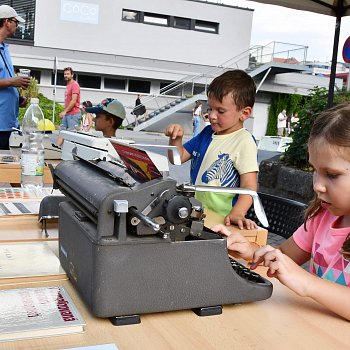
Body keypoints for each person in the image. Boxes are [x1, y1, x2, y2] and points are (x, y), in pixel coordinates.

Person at [212, 102, 350, 321]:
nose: (317, 185)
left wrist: (307, 283)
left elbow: (303, 282)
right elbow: (284, 257)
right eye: (315, 171)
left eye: (331, 175)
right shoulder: (321, 218)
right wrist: (250, 251)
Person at [165, 69, 258, 229]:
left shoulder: (244, 141)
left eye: (220, 111)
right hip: (198, 214)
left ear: (244, 113)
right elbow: (177, 159)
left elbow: (249, 186)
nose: (212, 116)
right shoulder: (207, 133)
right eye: (210, 108)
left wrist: (238, 213)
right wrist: (175, 139)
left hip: (222, 220)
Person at [0, 5, 30, 149]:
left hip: (7, 123)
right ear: (6, 22)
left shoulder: (4, 48)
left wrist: (17, 99)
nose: (17, 26)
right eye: (15, 22)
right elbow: (9, 81)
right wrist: (14, 81)